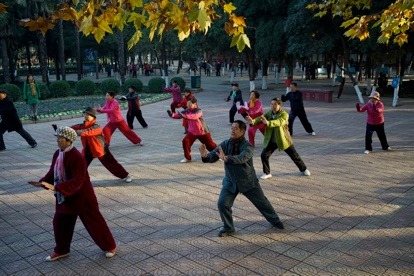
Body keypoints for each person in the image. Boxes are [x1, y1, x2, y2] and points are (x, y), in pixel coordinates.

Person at [28, 126, 117, 261]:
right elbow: (52, 172)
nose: (58, 140)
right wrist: (42, 182)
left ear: (69, 140)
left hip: (83, 197)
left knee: (95, 223)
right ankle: (62, 250)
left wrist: (56, 187)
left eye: (60, 138)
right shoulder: (57, 154)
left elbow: (78, 180)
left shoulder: (77, 157)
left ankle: (110, 246)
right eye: (57, 137)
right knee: (60, 223)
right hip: (65, 197)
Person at [199, 120, 285, 237]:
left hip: (248, 181)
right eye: (232, 128)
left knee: (262, 203)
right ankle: (228, 227)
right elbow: (214, 155)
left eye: (235, 129)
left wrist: (227, 159)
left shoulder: (248, 146)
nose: (232, 130)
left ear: (242, 131)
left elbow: (242, 158)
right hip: (230, 182)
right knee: (222, 204)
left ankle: (275, 220)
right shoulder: (225, 144)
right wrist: (205, 156)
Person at [246, 97, 311, 180]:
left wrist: (268, 123)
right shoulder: (269, 113)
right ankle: (267, 173)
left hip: (283, 139)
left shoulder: (284, 114)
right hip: (272, 140)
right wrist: (252, 121)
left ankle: (304, 169)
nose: (273, 106)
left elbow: (280, 122)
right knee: (264, 155)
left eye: (275, 104)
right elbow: (260, 118)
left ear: (279, 105)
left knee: (294, 156)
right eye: (272, 104)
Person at [63, 107, 132, 183]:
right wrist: (63, 129)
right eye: (85, 114)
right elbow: (71, 128)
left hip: (100, 149)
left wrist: (73, 132)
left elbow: (85, 132)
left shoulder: (97, 127)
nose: (85, 116)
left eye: (87, 115)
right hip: (88, 150)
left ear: (93, 117)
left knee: (112, 164)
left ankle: (125, 175)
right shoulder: (82, 125)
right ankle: (76, 180)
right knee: (81, 165)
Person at [169, 97, 217, 163]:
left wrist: (184, 116)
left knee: (211, 145)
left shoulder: (198, 110)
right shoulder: (186, 110)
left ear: (195, 104)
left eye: (190, 104)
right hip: (192, 132)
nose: (188, 105)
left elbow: (194, 116)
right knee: (185, 142)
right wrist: (172, 115)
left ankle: (218, 155)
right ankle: (187, 158)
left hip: (202, 132)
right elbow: (179, 115)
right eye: (187, 104)